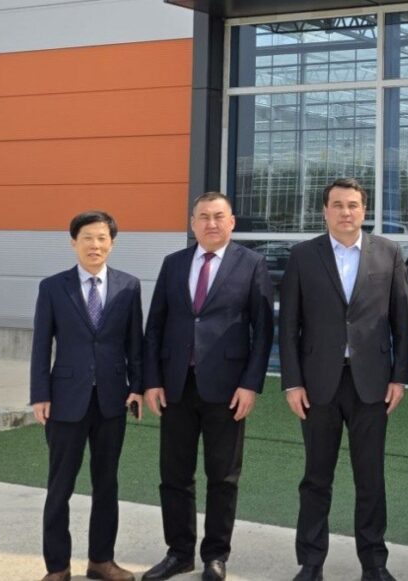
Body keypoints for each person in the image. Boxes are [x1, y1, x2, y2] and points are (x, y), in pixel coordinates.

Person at [279, 177, 408, 581]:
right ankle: (311, 562)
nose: (345, 212)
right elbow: (288, 325)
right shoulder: (303, 255)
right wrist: (292, 382)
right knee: (316, 478)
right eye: (337, 205)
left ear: (364, 210)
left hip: (371, 384)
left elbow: (402, 321)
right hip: (318, 384)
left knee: (370, 478)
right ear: (324, 211)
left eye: (353, 205)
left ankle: (374, 563)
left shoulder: (388, 253)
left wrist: (399, 378)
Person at [141, 192, 274, 581]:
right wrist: (152, 380)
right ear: (192, 222)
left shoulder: (252, 264)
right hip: (176, 386)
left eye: (218, 216)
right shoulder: (174, 263)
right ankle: (179, 553)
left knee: (224, 477)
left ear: (231, 222)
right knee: (174, 475)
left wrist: (250, 385)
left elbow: (263, 331)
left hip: (228, 390)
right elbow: (155, 326)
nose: (211, 223)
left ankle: (216, 555)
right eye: (203, 217)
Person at [30, 211, 144, 581]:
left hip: (112, 399)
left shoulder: (129, 286)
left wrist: (137, 387)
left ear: (112, 243)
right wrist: (40, 394)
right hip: (65, 399)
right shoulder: (53, 287)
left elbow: (135, 344)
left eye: (101, 238)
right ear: (73, 243)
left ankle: (101, 561)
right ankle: (57, 567)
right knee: (60, 486)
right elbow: (40, 345)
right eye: (87, 238)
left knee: (106, 484)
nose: (95, 245)